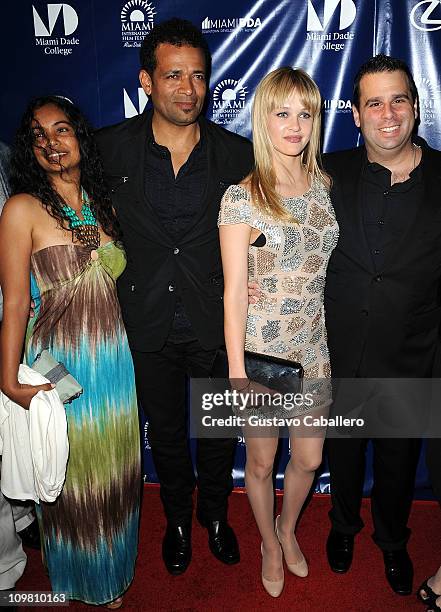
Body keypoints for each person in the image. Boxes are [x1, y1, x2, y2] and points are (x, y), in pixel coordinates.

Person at [95, 18, 253, 575]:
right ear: (146, 80)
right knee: (164, 435)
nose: (189, 89)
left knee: (215, 434)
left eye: (198, 76)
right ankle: (179, 521)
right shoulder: (109, 150)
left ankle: (214, 516)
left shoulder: (237, 155)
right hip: (147, 322)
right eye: (174, 75)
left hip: (214, 322)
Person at [0, 96, 141, 608]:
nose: (51, 143)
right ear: (28, 149)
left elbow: (115, 272)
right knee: (71, 476)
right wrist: (8, 380)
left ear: (81, 137)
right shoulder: (22, 209)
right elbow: (15, 302)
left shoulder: (100, 202)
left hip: (112, 359)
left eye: (61, 130)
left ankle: (112, 570)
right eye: (39, 136)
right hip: (58, 364)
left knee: (115, 473)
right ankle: (82, 578)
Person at [323, 54, 441, 596]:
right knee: (343, 453)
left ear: (415, 108)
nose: (387, 113)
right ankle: (343, 527)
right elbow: (278, 233)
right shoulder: (326, 172)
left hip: (413, 353)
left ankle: (392, 539)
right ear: (356, 113)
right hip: (340, 352)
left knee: (397, 461)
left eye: (398, 100)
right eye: (374, 102)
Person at [219, 67, 339, 597]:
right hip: (262, 356)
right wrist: (237, 372)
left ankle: (288, 531)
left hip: (314, 349)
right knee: (263, 461)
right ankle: (268, 541)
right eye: (282, 112)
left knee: (309, 457)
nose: (295, 125)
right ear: (263, 119)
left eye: (305, 113)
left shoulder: (326, 185)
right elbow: (233, 291)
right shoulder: (241, 196)